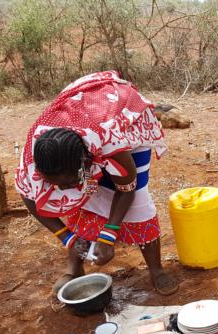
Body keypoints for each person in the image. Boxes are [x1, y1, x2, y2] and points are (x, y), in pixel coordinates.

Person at [15, 71, 178, 295]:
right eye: (57, 184)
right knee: (85, 196)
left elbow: (127, 189)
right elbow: (29, 197)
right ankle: (75, 267)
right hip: (84, 127)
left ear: (85, 163)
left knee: (138, 200)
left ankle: (156, 269)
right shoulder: (34, 159)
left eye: (69, 181)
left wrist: (109, 234)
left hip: (124, 122)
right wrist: (67, 237)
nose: (64, 189)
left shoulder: (111, 141)